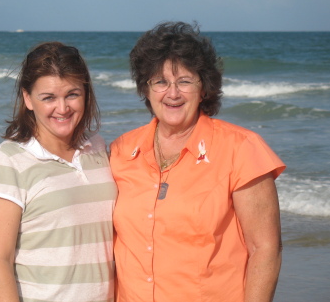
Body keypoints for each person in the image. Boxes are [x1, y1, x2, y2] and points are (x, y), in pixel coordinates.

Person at [110, 22, 285, 302]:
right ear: (146, 88)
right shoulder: (121, 150)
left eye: (185, 81)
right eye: (160, 81)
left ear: (204, 87)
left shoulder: (241, 148)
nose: (173, 93)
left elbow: (265, 248)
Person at [0, 42, 117, 302]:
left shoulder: (98, 149)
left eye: (72, 94)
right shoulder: (7, 162)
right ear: (28, 99)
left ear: (86, 93)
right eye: (48, 97)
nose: (62, 109)